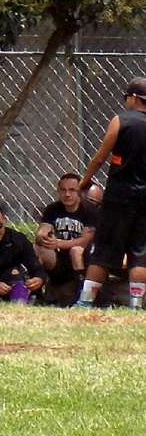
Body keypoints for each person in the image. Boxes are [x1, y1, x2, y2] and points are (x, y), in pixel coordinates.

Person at [75, 78, 146, 309]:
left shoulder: (121, 121)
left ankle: (85, 301)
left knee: (104, 250)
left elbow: (100, 157)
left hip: (119, 196)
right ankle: (136, 305)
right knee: (139, 253)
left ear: (134, 97)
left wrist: (84, 182)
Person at [33, 173, 95, 306]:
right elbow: (43, 229)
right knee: (37, 249)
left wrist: (59, 243)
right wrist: (42, 237)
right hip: (58, 259)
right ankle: (36, 293)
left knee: (75, 250)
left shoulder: (88, 212)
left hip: (81, 260)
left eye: (72, 190)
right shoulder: (53, 209)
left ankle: (80, 295)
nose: (67, 194)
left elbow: (85, 240)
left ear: (80, 192)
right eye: (63, 190)